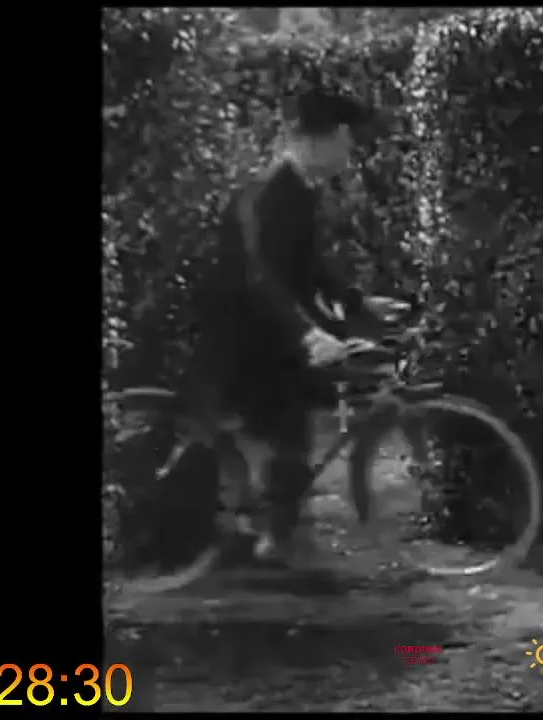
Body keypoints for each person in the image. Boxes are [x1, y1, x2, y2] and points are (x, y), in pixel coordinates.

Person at [188, 86, 369, 567]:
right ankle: (272, 545)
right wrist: (308, 333)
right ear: (322, 139)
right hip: (248, 341)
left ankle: (278, 540)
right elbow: (260, 276)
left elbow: (309, 265)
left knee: (292, 444)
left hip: (274, 337)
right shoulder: (274, 191)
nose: (350, 152)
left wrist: (359, 303)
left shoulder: (299, 189)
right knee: (283, 443)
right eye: (346, 140)